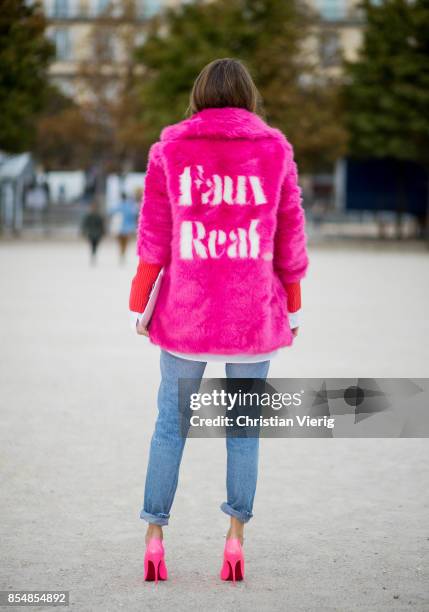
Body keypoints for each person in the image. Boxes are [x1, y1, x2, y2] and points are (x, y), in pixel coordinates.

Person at [128, 58, 308, 583]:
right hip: (252, 314)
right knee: (243, 430)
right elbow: (289, 242)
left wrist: (141, 303)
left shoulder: (171, 151)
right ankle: (234, 541)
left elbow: (154, 237)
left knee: (170, 425)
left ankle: (155, 541)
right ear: (248, 96)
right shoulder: (275, 151)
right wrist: (293, 308)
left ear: (199, 94)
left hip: (188, 311)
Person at [109, 192, 138, 263]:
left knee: (120, 242)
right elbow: (134, 214)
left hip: (119, 228)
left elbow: (110, 212)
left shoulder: (118, 205)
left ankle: (121, 253)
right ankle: (123, 253)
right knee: (126, 243)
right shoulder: (130, 206)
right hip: (128, 228)